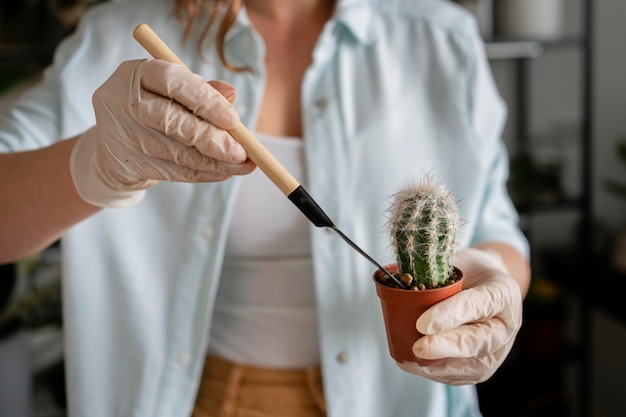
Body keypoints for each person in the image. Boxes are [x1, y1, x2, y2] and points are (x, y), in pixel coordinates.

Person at [0, 0, 531, 416]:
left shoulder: (441, 37)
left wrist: (496, 279)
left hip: (395, 403)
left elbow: (496, 229)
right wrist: (95, 162)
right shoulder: (110, 33)